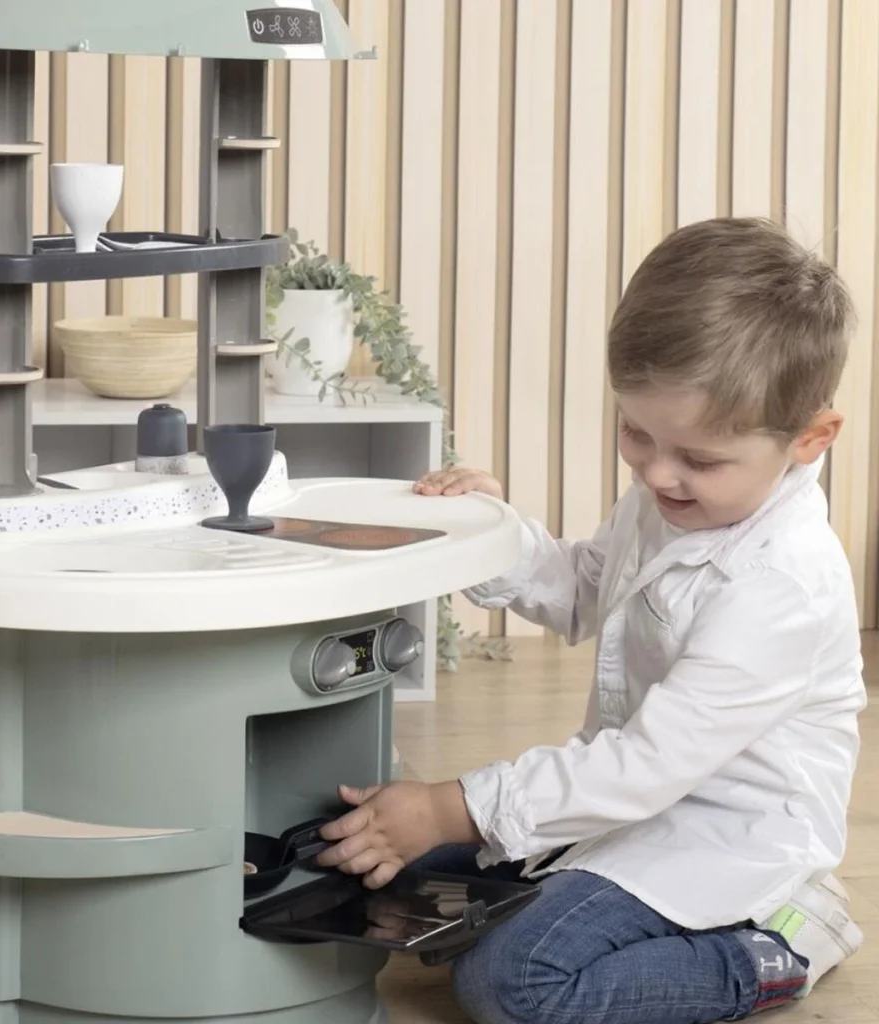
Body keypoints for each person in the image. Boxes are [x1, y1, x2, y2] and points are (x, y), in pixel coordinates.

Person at [316, 217, 868, 1023]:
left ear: (811, 438)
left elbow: (646, 765)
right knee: (380, 867)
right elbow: (586, 590)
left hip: (725, 836)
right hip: (626, 804)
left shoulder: (782, 586)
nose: (657, 473)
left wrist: (450, 806)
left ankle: (777, 947)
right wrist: (490, 533)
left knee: (513, 980)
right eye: (636, 433)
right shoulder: (672, 500)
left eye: (699, 458)